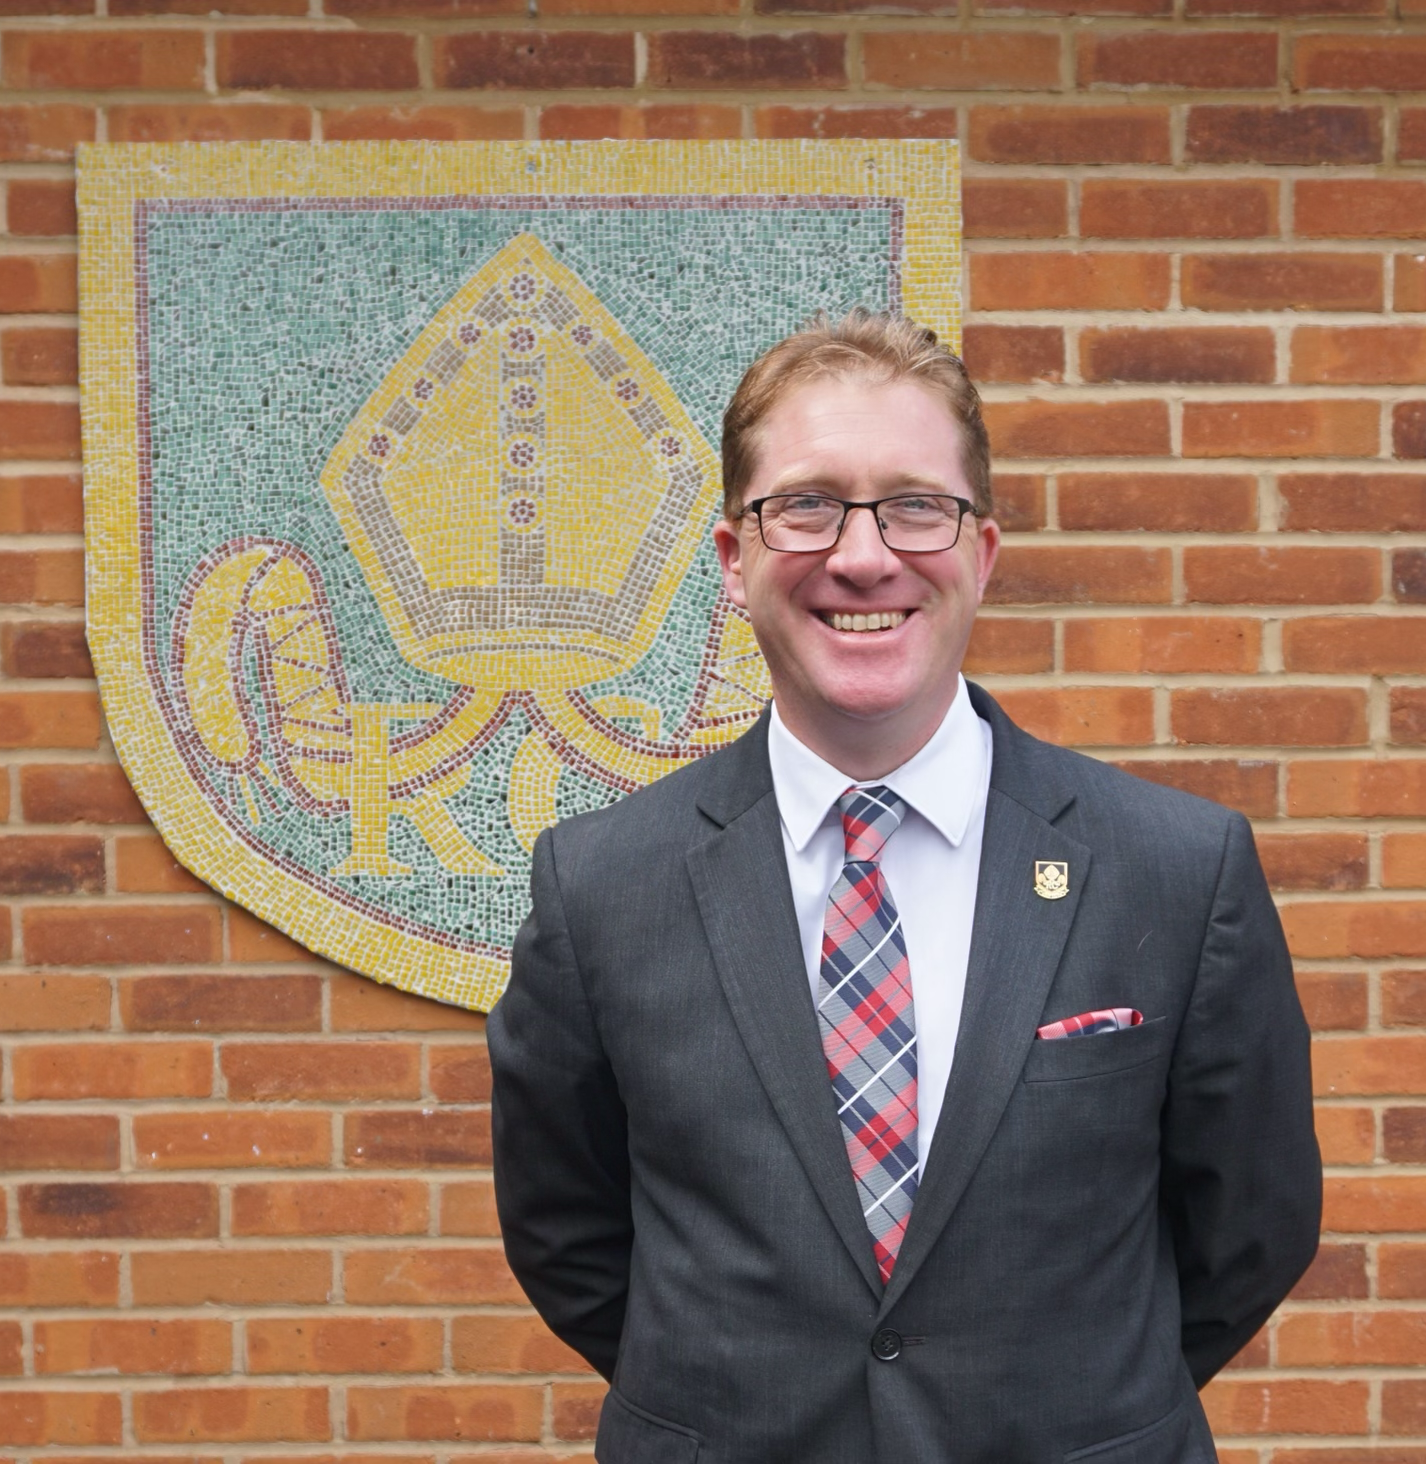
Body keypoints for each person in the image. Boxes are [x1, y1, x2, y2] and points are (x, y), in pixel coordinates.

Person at [488, 309, 1321, 1464]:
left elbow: (1250, 1229)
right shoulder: (600, 885)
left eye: (915, 505)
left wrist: (1069, 1398)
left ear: (980, 551)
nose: (863, 555)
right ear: (734, 559)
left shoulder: (1174, 871)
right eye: (806, 504)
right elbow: (564, 1233)